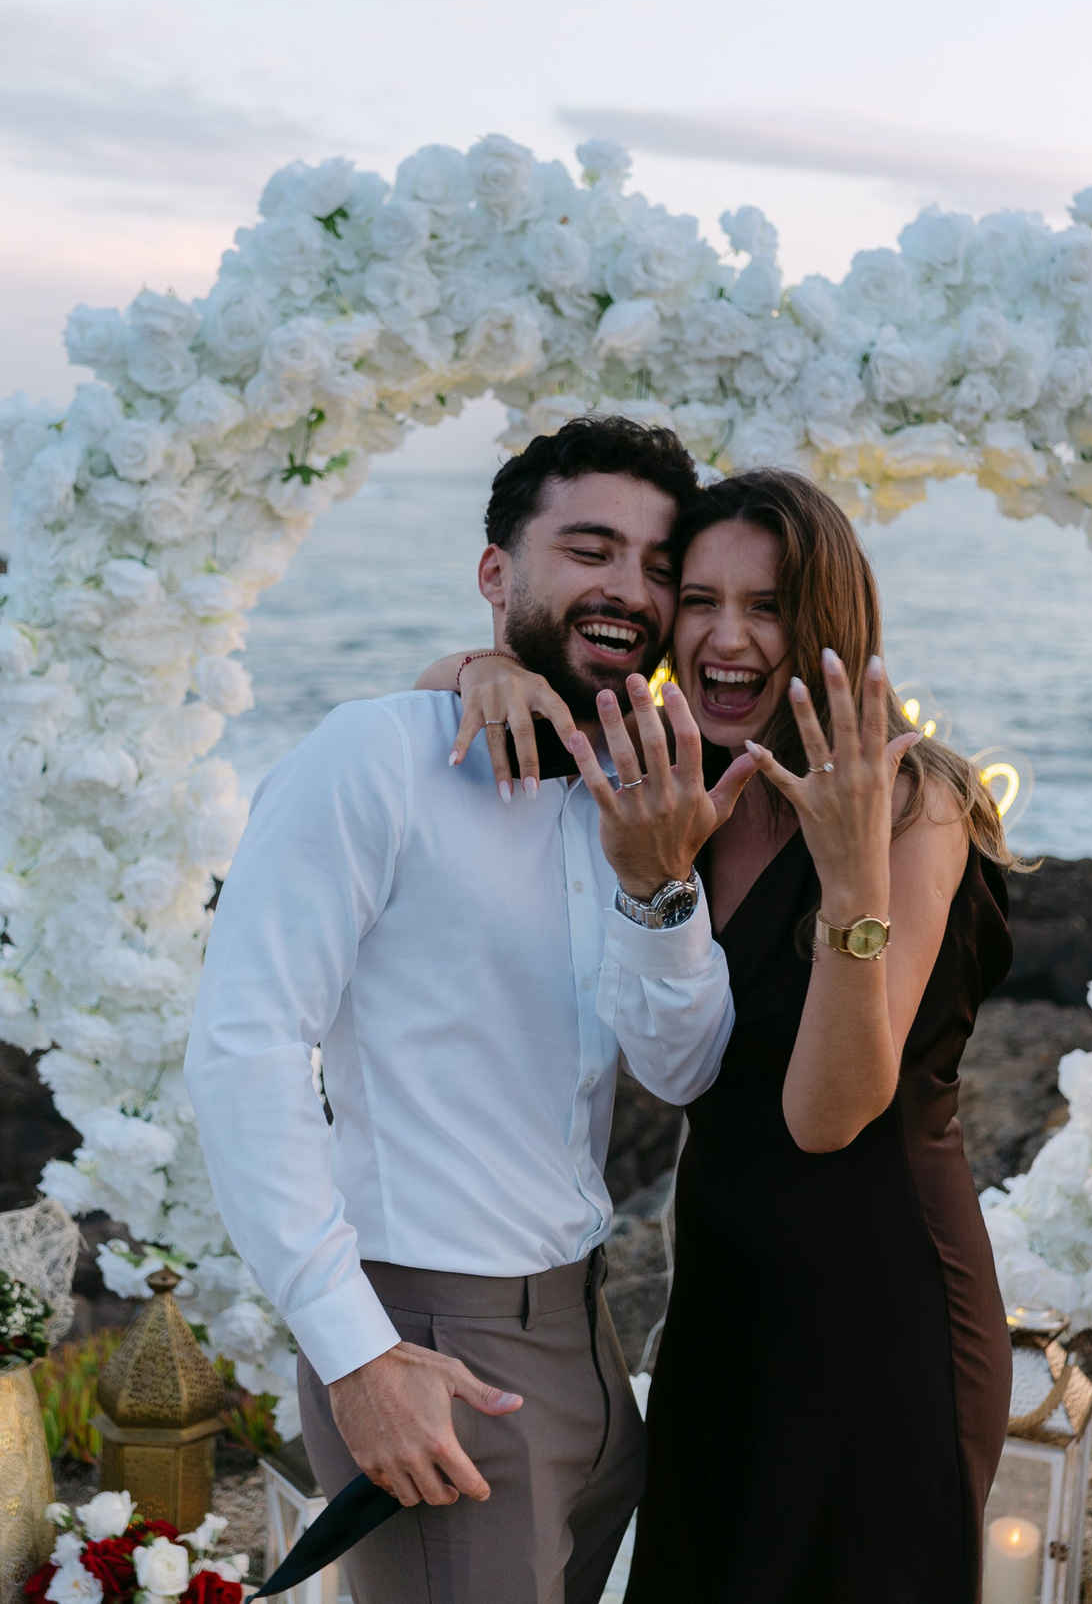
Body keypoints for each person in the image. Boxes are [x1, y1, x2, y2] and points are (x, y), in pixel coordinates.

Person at [184, 416, 757, 1604]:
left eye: (658, 566)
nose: (630, 590)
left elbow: (685, 1063)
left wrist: (657, 881)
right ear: (497, 573)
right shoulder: (373, 759)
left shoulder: (633, 789)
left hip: (590, 1336)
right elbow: (246, 1048)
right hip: (432, 1343)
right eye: (589, 549)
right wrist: (357, 1357)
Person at [429, 469, 1016, 1601]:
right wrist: (486, 665)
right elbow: (452, 708)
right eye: (699, 600)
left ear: (830, 621)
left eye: (769, 605)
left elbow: (827, 1112)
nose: (727, 638)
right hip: (719, 1307)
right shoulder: (670, 780)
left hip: (882, 1318)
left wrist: (847, 882)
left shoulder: (910, 803)